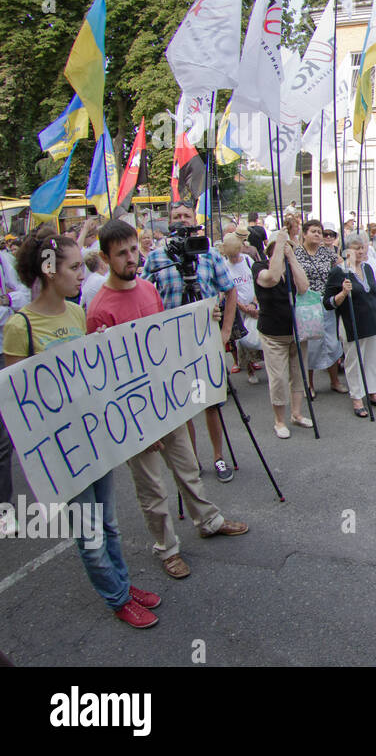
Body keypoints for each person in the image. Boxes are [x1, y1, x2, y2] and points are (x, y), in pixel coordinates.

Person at [3, 232, 161, 627]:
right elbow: (15, 401)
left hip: (91, 439)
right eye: (74, 267)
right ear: (48, 270)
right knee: (88, 532)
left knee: (107, 521)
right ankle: (116, 597)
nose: (83, 273)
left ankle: (122, 586)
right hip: (62, 451)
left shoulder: (77, 313)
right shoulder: (20, 326)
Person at [87, 221, 248, 580]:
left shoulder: (147, 289)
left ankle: (208, 520)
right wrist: (137, 422)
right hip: (134, 413)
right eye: (122, 253)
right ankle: (167, 549)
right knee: (152, 487)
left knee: (187, 467)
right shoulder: (99, 308)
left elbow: (163, 344)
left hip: (165, 400)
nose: (131, 258)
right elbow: (107, 379)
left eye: (133, 250)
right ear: (105, 257)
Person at [142, 201, 237, 482]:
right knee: (184, 406)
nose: (182, 220)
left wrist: (225, 332)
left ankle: (219, 457)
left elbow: (230, 291)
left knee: (211, 403)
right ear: (168, 222)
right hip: (172, 345)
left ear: (194, 219)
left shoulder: (208, 254)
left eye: (186, 215)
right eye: (176, 216)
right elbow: (145, 295)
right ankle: (192, 461)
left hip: (205, 342)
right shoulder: (157, 257)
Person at [254, 230, 313, 439]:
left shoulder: (290, 265)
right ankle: (279, 420)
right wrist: (279, 246)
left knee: (298, 375)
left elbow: (304, 287)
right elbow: (272, 278)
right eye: (278, 248)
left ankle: (296, 414)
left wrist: (292, 256)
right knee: (278, 378)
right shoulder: (259, 267)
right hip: (273, 334)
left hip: (297, 331)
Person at [326, 234, 376, 418]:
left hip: (372, 321)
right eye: (356, 247)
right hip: (352, 322)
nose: (360, 251)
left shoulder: (367, 268)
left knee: (372, 358)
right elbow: (328, 302)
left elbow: (374, 295)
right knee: (354, 361)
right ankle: (357, 397)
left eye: (362, 247)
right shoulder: (339, 272)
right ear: (347, 250)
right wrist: (343, 293)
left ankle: (372, 392)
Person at [294, 219, 346, 398]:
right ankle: (308, 384)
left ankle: (334, 381)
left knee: (331, 342)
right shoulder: (297, 253)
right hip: (307, 304)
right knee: (311, 345)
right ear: (304, 233)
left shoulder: (327, 252)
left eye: (320, 232)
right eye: (314, 231)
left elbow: (340, 265)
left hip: (326, 302)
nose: (317, 235)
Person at [221, 232, 261, 385]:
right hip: (238, 308)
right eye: (231, 256)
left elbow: (257, 281)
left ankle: (257, 361)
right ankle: (249, 368)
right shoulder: (225, 266)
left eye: (235, 254)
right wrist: (242, 307)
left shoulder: (247, 260)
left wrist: (254, 303)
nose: (234, 258)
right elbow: (227, 291)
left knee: (258, 336)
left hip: (253, 303)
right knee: (243, 341)